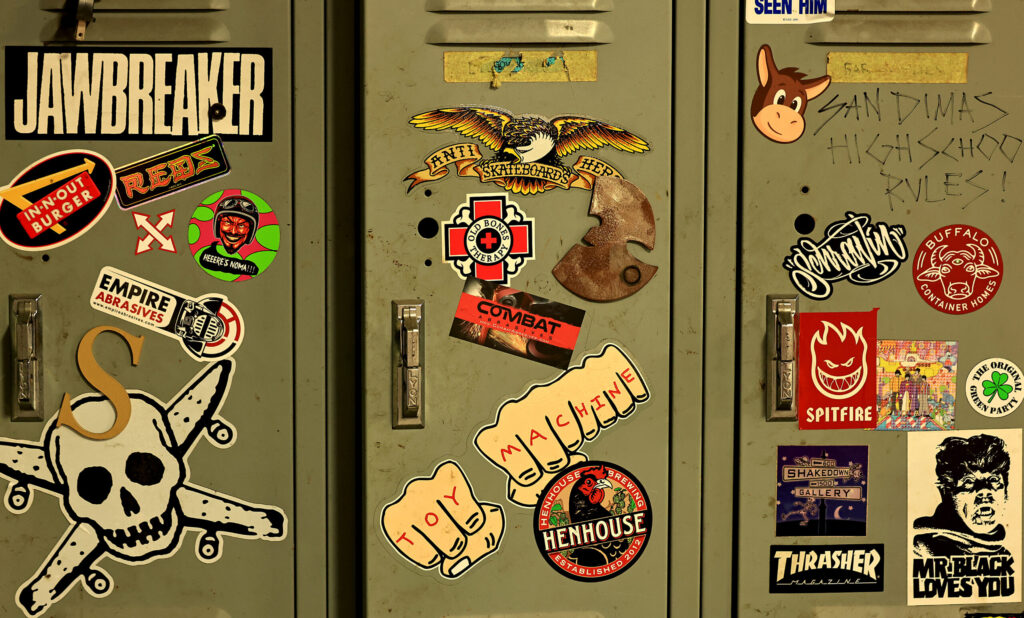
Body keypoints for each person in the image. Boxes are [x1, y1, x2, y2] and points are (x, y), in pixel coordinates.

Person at [913, 434, 1011, 557]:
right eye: (969, 482)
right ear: (946, 493)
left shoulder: (1004, 555)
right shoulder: (921, 550)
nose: (985, 491)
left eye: (993, 480)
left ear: (1005, 492)